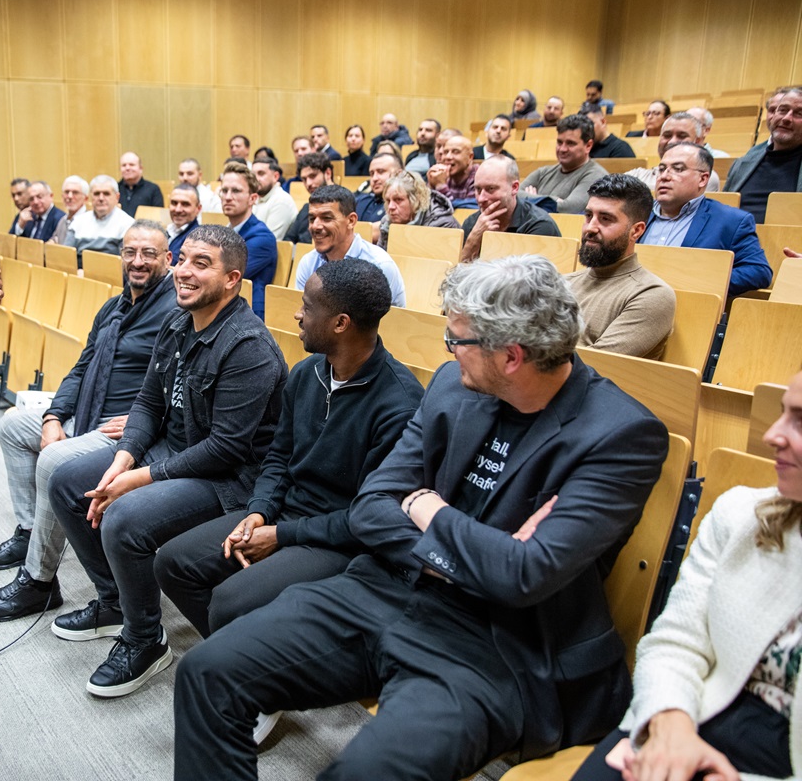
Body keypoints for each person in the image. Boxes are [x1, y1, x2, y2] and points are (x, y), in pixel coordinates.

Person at [173, 254, 670, 781]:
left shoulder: (620, 435)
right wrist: (469, 550)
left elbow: (522, 578)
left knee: (365, 773)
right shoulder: (454, 387)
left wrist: (425, 505)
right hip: (381, 591)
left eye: (457, 341)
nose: (449, 352)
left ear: (511, 356)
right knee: (208, 674)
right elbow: (370, 508)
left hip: (495, 645)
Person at [47, 224, 288, 698]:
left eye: (203, 264)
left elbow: (227, 448)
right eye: (183, 260)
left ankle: (145, 639)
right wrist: (124, 457)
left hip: (228, 478)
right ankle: (116, 602)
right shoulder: (178, 322)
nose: (184, 272)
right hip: (172, 452)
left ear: (232, 279)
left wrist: (138, 478)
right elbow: (149, 402)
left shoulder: (248, 346)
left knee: (124, 520)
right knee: (66, 483)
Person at [154, 258, 424, 639]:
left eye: (308, 307)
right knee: (173, 563)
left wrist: (282, 536)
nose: (298, 315)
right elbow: (279, 455)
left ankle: (250, 668)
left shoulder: (399, 404)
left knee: (231, 603)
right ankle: (243, 659)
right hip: (285, 514)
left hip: (340, 538)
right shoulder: (307, 373)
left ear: (340, 323)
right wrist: (260, 512)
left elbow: (369, 519)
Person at [570, 370, 802, 781]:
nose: (774, 435)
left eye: (800, 421)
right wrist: (668, 725)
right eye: (783, 412)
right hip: (691, 710)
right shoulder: (741, 514)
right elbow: (675, 642)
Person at [0, 221, 179, 623]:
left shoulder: (174, 312)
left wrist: (145, 420)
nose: (138, 262)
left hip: (124, 432)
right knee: (14, 425)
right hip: (88, 410)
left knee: (54, 461)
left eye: (149, 254)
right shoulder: (114, 306)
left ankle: (38, 582)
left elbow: (177, 388)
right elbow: (81, 367)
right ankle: (31, 531)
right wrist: (53, 417)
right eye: (130, 252)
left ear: (167, 260)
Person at [640, 142, 772, 297]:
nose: (664, 176)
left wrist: (698, 282)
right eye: (661, 169)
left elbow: (759, 271)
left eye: (678, 169)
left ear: (702, 179)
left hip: (688, 309)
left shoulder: (731, 221)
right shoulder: (637, 212)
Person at [566, 175, 675, 360]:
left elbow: (595, 366)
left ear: (637, 231)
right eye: (588, 215)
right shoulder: (563, 282)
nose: (590, 228)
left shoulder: (652, 294)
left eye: (606, 218)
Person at [294, 185, 406, 307]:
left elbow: (395, 323)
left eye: (326, 218)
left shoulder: (380, 265)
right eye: (311, 219)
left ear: (351, 221)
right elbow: (304, 317)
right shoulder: (308, 263)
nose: (315, 226)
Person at [461, 156, 562, 262]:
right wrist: (472, 242)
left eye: (490, 189)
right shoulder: (473, 223)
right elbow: (457, 276)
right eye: (477, 189)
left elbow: (530, 277)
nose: (481, 198)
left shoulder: (540, 226)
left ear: (514, 188)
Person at [725, 86, 802, 224]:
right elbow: (721, 210)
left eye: (799, 114)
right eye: (782, 110)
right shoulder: (742, 163)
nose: (786, 118)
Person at [218, 161, 277, 319]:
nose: (228, 197)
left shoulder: (262, 238)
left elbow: (221, 276)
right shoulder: (224, 232)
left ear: (253, 198)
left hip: (247, 316)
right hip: (224, 308)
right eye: (224, 190)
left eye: (236, 191)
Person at [520, 114, 608, 213]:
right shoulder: (542, 172)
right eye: (559, 142)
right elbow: (514, 195)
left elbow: (568, 208)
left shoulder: (597, 176)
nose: (562, 149)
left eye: (570, 143)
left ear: (588, 145)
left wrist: (530, 199)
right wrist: (553, 200)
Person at [625, 113, 720, 192]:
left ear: (698, 141)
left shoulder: (702, 177)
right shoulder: (637, 175)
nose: (672, 141)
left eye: (682, 136)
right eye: (667, 135)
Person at [376, 170, 460, 251]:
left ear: (416, 200)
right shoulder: (386, 223)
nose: (391, 207)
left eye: (398, 199)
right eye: (388, 201)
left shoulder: (441, 224)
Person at [63, 175, 135, 264]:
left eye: (106, 194)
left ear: (117, 197)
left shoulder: (128, 224)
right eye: (96, 194)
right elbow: (65, 257)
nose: (101, 198)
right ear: (90, 197)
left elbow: (125, 263)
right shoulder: (78, 221)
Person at [283, 151, 333, 244]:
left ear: (328, 173)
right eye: (304, 179)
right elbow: (288, 240)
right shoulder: (306, 208)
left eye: (313, 176)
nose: (308, 183)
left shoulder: (344, 204)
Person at [250, 157, 299, 239]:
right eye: (253, 174)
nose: (255, 179)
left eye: (261, 174)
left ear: (275, 177)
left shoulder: (282, 201)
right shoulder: (255, 198)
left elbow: (267, 241)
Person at [428, 135, 478, 203]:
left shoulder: (479, 176)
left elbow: (466, 210)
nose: (448, 157)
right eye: (445, 152)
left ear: (470, 157)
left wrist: (441, 186)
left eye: (455, 152)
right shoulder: (441, 175)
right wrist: (431, 185)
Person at [354, 152, 401, 224]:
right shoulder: (361, 201)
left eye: (381, 172)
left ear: (398, 173)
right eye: (372, 174)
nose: (374, 178)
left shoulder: (402, 205)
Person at [117, 151, 164, 216]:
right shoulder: (114, 189)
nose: (127, 168)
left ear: (141, 168)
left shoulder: (153, 189)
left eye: (131, 165)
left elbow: (158, 217)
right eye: (124, 165)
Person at [48, 175, 90, 244]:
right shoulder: (63, 220)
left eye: (75, 192)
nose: (69, 196)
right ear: (62, 196)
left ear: (85, 199)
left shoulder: (88, 222)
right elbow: (55, 239)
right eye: (67, 192)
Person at [167, 184, 202, 262]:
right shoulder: (166, 231)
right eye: (174, 203)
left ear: (198, 209)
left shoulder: (198, 239)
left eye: (185, 204)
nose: (178, 209)